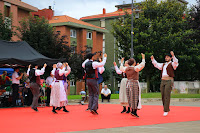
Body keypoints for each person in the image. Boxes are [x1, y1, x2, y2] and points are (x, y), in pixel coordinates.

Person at [151, 51, 179, 116]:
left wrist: (173, 55)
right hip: (163, 80)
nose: (166, 58)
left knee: (167, 95)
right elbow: (157, 65)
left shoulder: (172, 64)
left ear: (170, 58)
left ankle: (166, 110)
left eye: (167, 57)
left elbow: (176, 62)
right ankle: (165, 108)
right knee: (163, 95)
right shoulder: (163, 64)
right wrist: (153, 59)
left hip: (169, 80)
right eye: (165, 57)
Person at [125, 53, 145, 118]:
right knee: (135, 97)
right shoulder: (135, 68)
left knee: (130, 96)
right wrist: (143, 58)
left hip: (128, 83)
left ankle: (132, 109)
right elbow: (142, 65)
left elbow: (121, 68)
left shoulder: (126, 68)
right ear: (134, 63)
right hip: (134, 83)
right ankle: (134, 111)